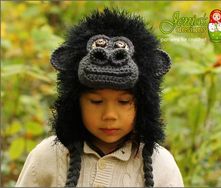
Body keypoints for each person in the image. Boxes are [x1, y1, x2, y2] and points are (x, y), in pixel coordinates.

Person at [16, 8, 184, 187]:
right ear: (75, 102)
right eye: (96, 101)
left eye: (124, 101)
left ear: (143, 103)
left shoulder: (161, 166)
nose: (109, 115)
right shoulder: (48, 157)